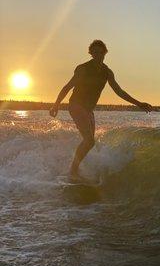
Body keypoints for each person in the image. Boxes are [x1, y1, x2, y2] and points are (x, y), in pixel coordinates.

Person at [49, 40, 152, 182]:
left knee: (90, 142)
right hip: (76, 105)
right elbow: (67, 87)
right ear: (91, 54)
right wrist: (56, 105)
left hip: (88, 110)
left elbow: (119, 91)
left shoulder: (107, 72)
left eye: (100, 52)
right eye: (94, 52)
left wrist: (139, 104)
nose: (97, 55)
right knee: (89, 140)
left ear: (105, 52)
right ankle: (73, 171)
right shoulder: (83, 69)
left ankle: (74, 169)